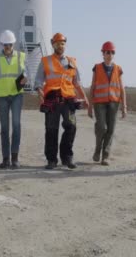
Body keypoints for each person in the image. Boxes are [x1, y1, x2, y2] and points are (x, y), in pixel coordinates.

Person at [34, 33, 89, 170]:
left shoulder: (71, 62)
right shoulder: (45, 61)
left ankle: (67, 157)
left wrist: (86, 99)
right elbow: (38, 81)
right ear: (53, 44)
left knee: (71, 127)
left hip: (68, 100)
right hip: (52, 99)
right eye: (58, 43)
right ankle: (52, 160)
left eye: (63, 43)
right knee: (51, 130)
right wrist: (40, 92)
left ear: (65, 45)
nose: (60, 46)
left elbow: (77, 83)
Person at [0, 30, 28, 169]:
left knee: (16, 125)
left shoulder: (22, 56)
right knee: (4, 128)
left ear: (13, 44)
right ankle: (5, 159)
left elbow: (26, 73)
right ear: (1, 44)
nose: (7, 47)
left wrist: (26, 79)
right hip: (2, 96)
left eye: (10, 45)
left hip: (17, 95)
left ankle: (15, 158)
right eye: (5, 45)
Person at [87, 41, 127, 166]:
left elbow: (122, 88)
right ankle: (97, 149)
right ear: (103, 54)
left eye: (112, 52)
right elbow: (93, 86)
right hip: (99, 103)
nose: (110, 54)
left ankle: (105, 156)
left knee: (110, 129)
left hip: (114, 103)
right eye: (107, 52)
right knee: (102, 128)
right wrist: (89, 106)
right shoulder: (97, 68)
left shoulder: (118, 69)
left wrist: (124, 106)